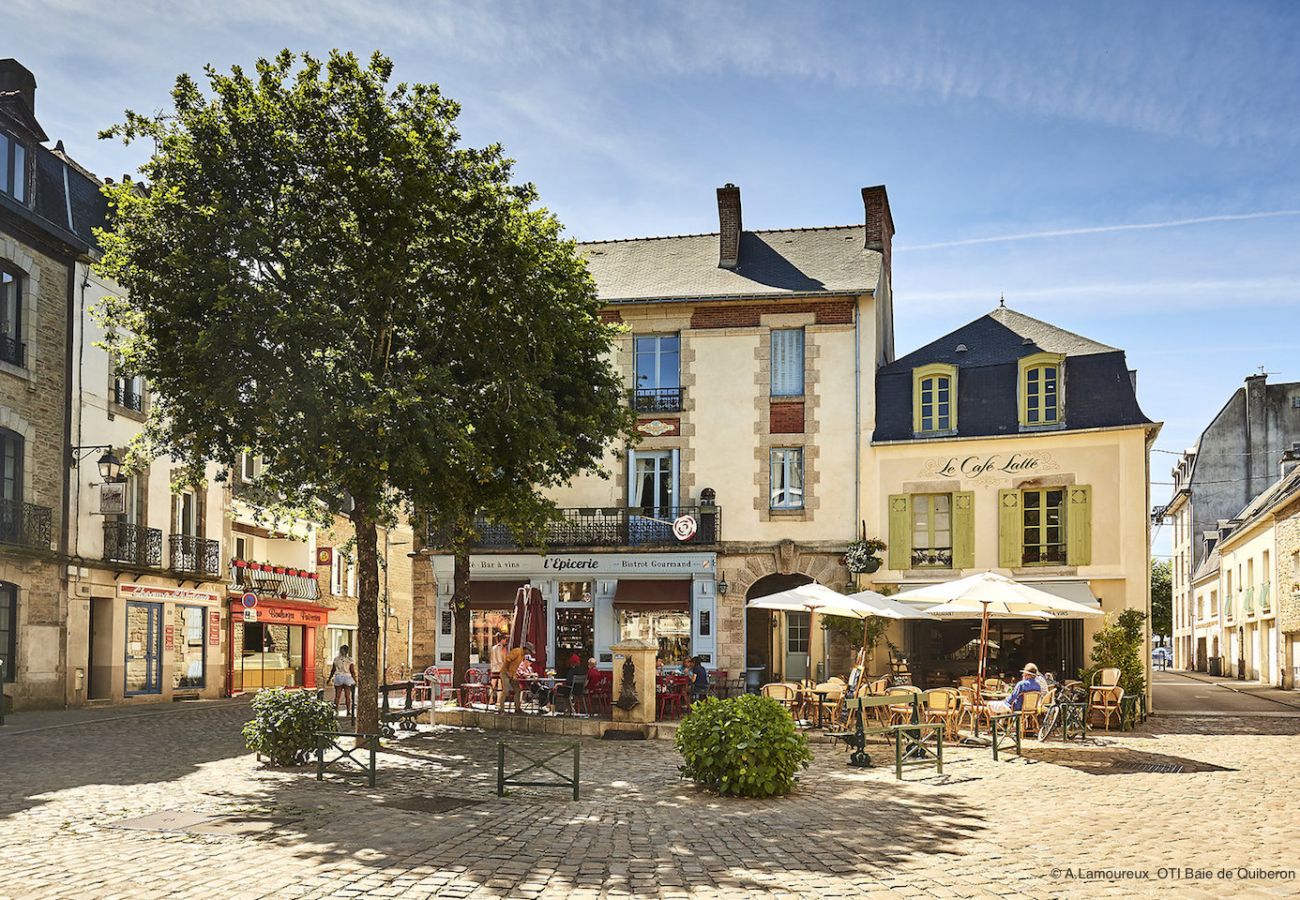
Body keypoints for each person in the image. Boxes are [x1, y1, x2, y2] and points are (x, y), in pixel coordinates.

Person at [498, 641, 530, 714]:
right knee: (506, 690)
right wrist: (507, 671)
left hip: (512, 674)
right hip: (505, 673)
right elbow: (507, 660)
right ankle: (501, 709)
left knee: (518, 690)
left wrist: (514, 674)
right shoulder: (516, 651)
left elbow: (515, 666)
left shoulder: (522, 656)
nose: (529, 653)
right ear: (526, 649)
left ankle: (517, 708)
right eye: (529, 651)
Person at [331, 645, 357, 718]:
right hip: (347, 678)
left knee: (337, 696)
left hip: (338, 677)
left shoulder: (336, 659)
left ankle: (336, 710)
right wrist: (355, 680)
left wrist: (329, 678)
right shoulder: (350, 660)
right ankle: (348, 711)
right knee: (347, 696)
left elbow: (333, 670)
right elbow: (352, 671)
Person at [489, 633, 508, 705]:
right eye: (505, 639)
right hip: (500, 669)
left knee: (492, 685)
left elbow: (491, 659)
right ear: (502, 639)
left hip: (494, 669)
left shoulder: (493, 648)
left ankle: (490, 699)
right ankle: (498, 701)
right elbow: (503, 660)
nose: (506, 641)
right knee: (500, 685)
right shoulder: (502, 648)